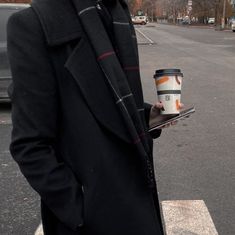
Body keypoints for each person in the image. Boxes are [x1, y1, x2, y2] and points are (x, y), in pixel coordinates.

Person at [7, 0, 182, 234]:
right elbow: (30, 145)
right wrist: (81, 210)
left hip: (137, 203)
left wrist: (146, 115)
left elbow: (113, 98)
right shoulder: (34, 25)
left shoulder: (115, 13)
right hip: (92, 221)